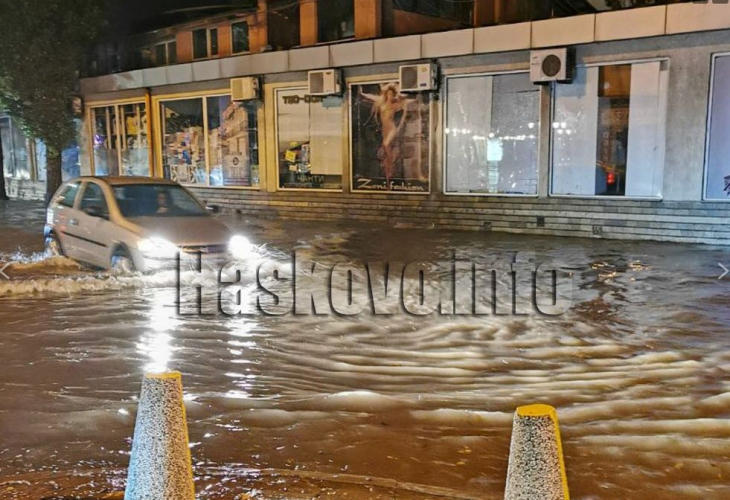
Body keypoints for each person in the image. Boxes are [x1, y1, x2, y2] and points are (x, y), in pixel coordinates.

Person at [358, 83, 414, 183]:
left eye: (392, 94)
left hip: (392, 128)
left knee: (386, 145)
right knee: (386, 150)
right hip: (385, 128)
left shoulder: (396, 104)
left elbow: (407, 101)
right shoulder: (381, 103)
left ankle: (390, 168)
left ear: (394, 95)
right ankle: (388, 172)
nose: (390, 96)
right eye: (388, 94)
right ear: (386, 94)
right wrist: (362, 93)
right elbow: (371, 97)